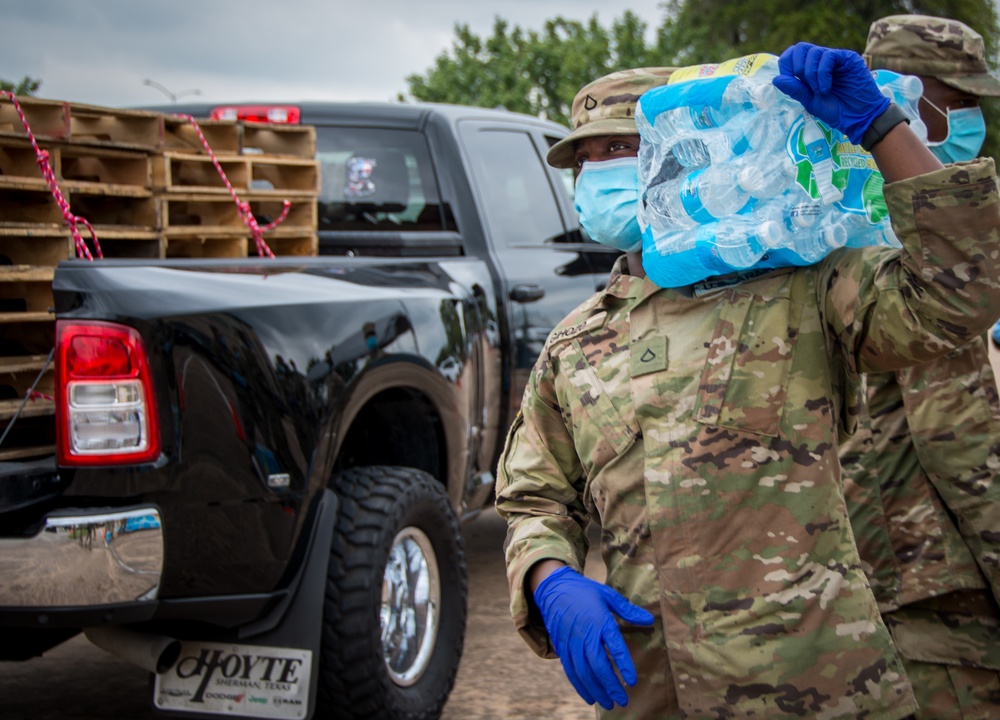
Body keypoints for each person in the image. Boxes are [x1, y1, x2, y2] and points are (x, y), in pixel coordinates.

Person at [495, 43, 1000, 719]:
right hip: (653, 689)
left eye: (619, 147)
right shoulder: (577, 341)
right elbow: (534, 495)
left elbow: (963, 288)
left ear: (681, 151)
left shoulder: (803, 291)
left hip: (818, 687)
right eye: (584, 159)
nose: (595, 172)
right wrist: (549, 576)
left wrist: (881, 128)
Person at [835, 16, 1000, 719]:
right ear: (901, 95)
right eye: (953, 99)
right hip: (941, 606)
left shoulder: (840, 217)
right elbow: (958, 444)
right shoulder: (883, 247)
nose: (969, 118)